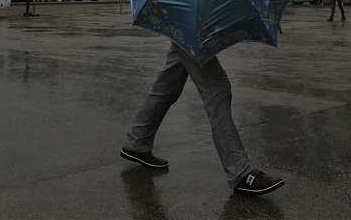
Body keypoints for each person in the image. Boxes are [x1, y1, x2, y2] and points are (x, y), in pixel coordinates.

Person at [121, 43, 285, 196]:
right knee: (217, 88)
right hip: (188, 28)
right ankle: (239, 171)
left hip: (182, 25)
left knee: (168, 84)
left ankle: (137, 141)